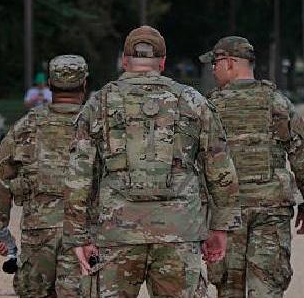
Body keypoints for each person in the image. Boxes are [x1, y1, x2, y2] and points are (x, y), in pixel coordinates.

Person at [63, 26, 241, 298]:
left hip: (117, 231)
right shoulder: (192, 100)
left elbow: (79, 175)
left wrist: (78, 236)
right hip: (179, 231)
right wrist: (220, 227)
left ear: (125, 61)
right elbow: (220, 168)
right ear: (163, 62)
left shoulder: (99, 102)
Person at [203, 36, 304, 298]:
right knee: (267, 288)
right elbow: (301, 156)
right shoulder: (277, 102)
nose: (213, 69)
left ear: (232, 63)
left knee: (228, 288)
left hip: (226, 213)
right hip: (271, 209)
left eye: (215, 63)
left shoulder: (209, 107)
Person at [0, 55, 90, 298]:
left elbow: (0, 177)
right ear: (84, 84)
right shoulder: (97, 123)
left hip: (38, 231)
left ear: (50, 86)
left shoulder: (26, 125)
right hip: (85, 234)